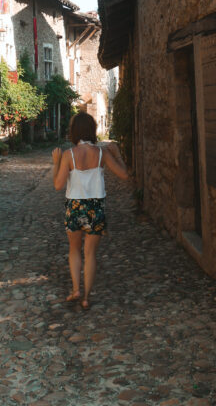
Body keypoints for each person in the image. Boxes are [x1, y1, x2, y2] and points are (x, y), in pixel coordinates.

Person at [52, 112, 128, 310]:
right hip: (95, 207)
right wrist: (118, 154)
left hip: (75, 206)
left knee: (74, 249)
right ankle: (86, 297)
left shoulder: (68, 156)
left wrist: (56, 164)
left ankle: (76, 288)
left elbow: (58, 185)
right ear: (92, 130)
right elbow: (124, 175)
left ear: (74, 132)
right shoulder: (102, 153)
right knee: (90, 253)